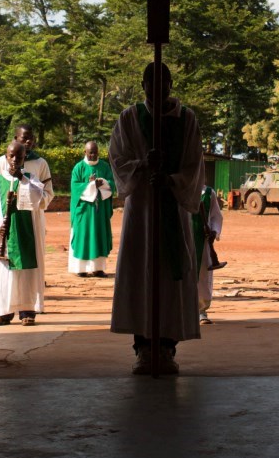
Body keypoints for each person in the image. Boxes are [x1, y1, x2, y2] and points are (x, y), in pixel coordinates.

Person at [109, 62, 203, 376]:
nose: (158, 88)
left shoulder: (186, 120)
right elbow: (118, 159)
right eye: (152, 82)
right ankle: (143, 348)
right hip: (142, 212)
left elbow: (194, 166)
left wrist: (172, 180)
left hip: (172, 208)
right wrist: (143, 165)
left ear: (171, 84)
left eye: (164, 81)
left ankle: (167, 347)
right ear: (144, 84)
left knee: (169, 277)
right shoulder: (129, 118)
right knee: (141, 275)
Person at [0, 139, 49, 326]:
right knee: (5, 274)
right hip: (5, 234)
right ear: (6, 156)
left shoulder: (31, 178)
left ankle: (27, 311)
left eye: (18, 157)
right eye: (11, 156)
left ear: (23, 158)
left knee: (27, 273)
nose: (14, 160)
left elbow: (39, 200)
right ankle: (4, 312)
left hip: (27, 232)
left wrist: (22, 179)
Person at [68, 139, 115, 277]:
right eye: (90, 153)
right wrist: (90, 185)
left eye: (95, 153)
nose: (93, 155)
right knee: (83, 237)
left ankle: (98, 268)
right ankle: (80, 269)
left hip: (99, 211)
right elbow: (75, 187)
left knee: (99, 236)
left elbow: (112, 183)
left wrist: (104, 183)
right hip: (84, 211)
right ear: (85, 152)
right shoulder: (78, 167)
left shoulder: (105, 166)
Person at [190, 168, 223, 325]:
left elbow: (216, 216)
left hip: (203, 241)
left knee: (203, 275)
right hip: (185, 239)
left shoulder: (209, 193)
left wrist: (214, 232)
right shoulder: (182, 192)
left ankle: (201, 310)